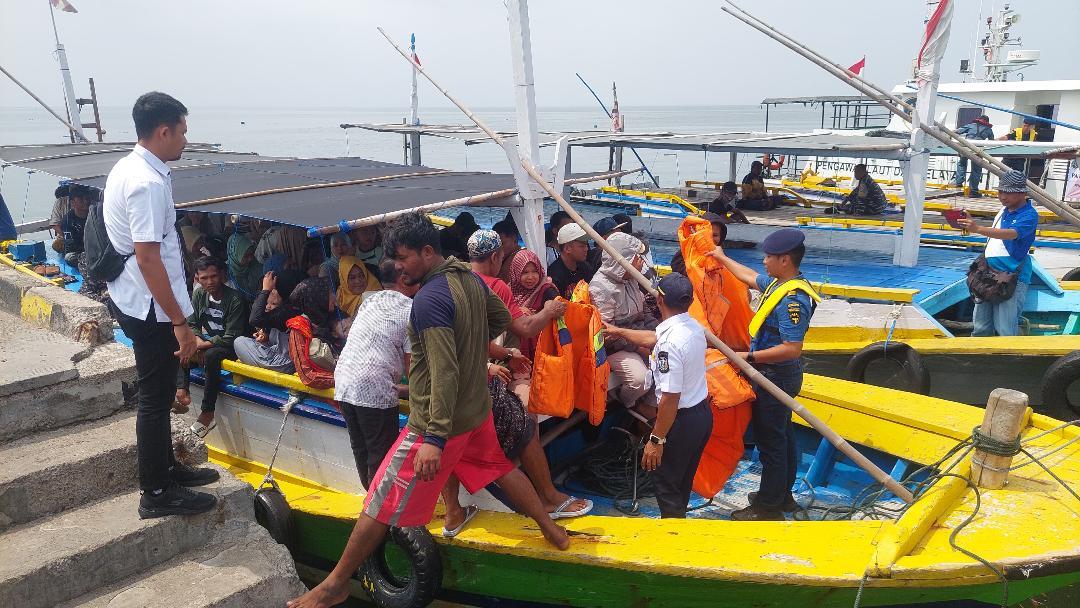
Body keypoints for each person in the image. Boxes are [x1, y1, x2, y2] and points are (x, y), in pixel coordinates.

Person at [287, 213, 569, 608]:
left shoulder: (430, 302)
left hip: (442, 421)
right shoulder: (469, 281)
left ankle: (335, 584)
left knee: (380, 498)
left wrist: (433, 439)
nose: (398, 268)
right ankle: (551, 530)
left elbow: (444, 372)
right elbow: (520, 327)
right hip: (476, 410)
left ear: (427, 251)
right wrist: (548, 314)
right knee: (502, 469)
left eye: (403, 258)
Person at [103, 91, 219, 518]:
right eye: (183, 131)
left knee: (160, 391)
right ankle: (155, 493)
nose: (186, 139)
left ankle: (168, 469)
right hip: (150, 308)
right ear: (163, 130)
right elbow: (149, 256)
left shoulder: (131, 167)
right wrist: (179, 321)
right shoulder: (147, 183)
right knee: (154, 399)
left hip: (136, 299)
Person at [706, 228, 818, 521]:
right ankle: (782, 495)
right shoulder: (781, 284)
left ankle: (768, 506)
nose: (764, 261)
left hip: (776, 376)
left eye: (769, 257)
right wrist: (721, 256)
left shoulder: (793, 299)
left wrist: (748, 357)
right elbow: (749, 277)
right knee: (783, 436)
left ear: (785, 260)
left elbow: (792, 348)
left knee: (771, 442)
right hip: (771, 373)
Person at [602, 273, 712, 518]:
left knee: (667, 487)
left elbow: (670, 398)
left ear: (660, 300)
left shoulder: (669, 345)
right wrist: (619, 331)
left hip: (679, 421)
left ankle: (673, 541)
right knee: (682, 482)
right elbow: (654, 337)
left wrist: (656, 440)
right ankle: (679, 529)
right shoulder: (692, 327)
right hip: (701, 416)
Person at [334, 258, 418, 489]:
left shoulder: (369, 301)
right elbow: (413, 368)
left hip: (344, 381)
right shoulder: (411, 310)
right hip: (373, 388)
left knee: (361, 449)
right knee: (381, 456)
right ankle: (378, 518)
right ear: (403, 279)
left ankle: (370, 507)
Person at [956, 169, 1038, 337]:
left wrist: (977, 228)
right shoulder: (1003, 210)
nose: (1002, 196)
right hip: (988, 275)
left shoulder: (1030, 215)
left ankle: (1008, 357)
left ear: (1022, 193)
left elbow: (1011, 233)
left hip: (1011, 277)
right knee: (980, 325)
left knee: (1005, 328)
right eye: (1000, 191)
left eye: (1007, 193)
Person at [174, 257, 249, 437]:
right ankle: (181, 389)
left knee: (211, 356)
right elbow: (192, 323)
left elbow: (232, 336)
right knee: (179, 344)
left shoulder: (236, 299)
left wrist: (202, 345)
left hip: (229, 345)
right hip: (206, 340)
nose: (210, 282)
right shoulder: (199, 294)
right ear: (197, 279)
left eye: (214, 276)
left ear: (222, 275)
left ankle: (208, 412)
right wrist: (196, 340)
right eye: (204, 278)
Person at [589, 231, 657, 413]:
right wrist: (640, 345)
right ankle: (623, 402)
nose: (641, 262)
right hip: (615, 348)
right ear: (623, 259)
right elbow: (607, 334)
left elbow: (645, 313)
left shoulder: (631, 280)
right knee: (640, 380)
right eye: (637, 258)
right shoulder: (600, 288)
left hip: (637, 338)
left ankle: (652, 407)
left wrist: (658, 333)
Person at [233, 271, 297, 374]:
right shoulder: (279, 313)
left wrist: (266, 290)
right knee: (241, 342)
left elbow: (254, 319)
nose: (267, 306)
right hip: (278, 356)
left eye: (273, 303)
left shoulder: (287, 311)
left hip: (285, 363)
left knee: (239, 342)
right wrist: (266, 339)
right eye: (266, 302)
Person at [548, 223, 596, 299]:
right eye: (582, 246)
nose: (586, 249)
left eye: (586, 245)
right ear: (567, 248)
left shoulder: (586, 268)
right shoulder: (554, 275)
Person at [953, 115, 994, 196]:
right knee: (976, 169)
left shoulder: (971, 125)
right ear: (987, 122)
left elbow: (957, 131)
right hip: (977, 150)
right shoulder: (988, 129)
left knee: (962, 164)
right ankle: (973, 191)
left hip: (966, 147)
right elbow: (992, 141)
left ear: (979, 120)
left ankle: (958, 183)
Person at [226, 217, 265, 301]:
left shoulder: (256, 266)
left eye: (251, 254)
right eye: (246, 256)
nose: (250, 258)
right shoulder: (226, 272)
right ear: (235, 255)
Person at [60, 184, 92, 265]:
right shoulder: (68, 220)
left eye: (87, 198)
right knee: (69, 257)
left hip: (95, 249)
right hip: (79, 252)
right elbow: (71, 245)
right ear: (72, 203)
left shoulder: (95, 215)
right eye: (81, 199)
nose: (86, 201)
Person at [493, 217, 522, 282]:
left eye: (502, 243)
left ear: (514, 238)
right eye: (496, 245)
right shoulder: (506, 257)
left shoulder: (519, 258)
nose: (498, 249)